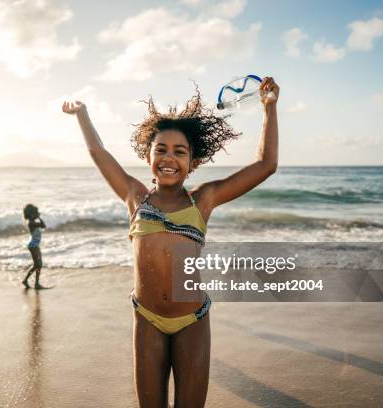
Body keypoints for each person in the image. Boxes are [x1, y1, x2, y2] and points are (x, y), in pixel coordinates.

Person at [63, 77, 279, 407]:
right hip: (146, 318)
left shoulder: (203, 200)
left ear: (192, 164)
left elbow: (266, 165)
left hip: (192, 320)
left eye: (180, 152)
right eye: (160, 149)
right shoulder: (136, 197)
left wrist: (269, 108)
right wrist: (82, 114)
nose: (169, 157)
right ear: (148, 156)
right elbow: (97, 151)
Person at [22, 204, 46, 289]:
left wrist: (38, 217)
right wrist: (38, 217)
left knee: (39, 264)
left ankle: (36, 283)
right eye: (35, 212)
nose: (37, 213)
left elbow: (43, 226)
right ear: (31, 214)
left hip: (36, 245)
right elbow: (43, 225)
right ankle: (28, 281)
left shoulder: (33, 222)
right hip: (33, 245)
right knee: (37, 265)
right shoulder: (31, 223)